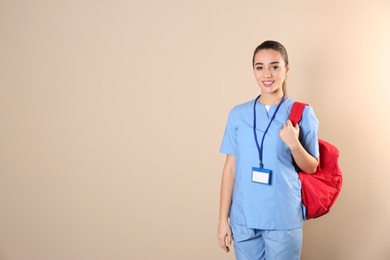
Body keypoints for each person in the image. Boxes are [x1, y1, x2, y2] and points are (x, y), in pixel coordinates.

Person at [217, 40, 320, 260]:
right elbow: (230, 170)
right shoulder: (238, 114)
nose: (267, 74)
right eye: (259, 67)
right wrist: (222, 220)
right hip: (243, 217)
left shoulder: (301, 113)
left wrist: (294, 143)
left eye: (275, 66)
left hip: (282, 215)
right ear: (253, 70)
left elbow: (312, 167)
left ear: (287, 69)